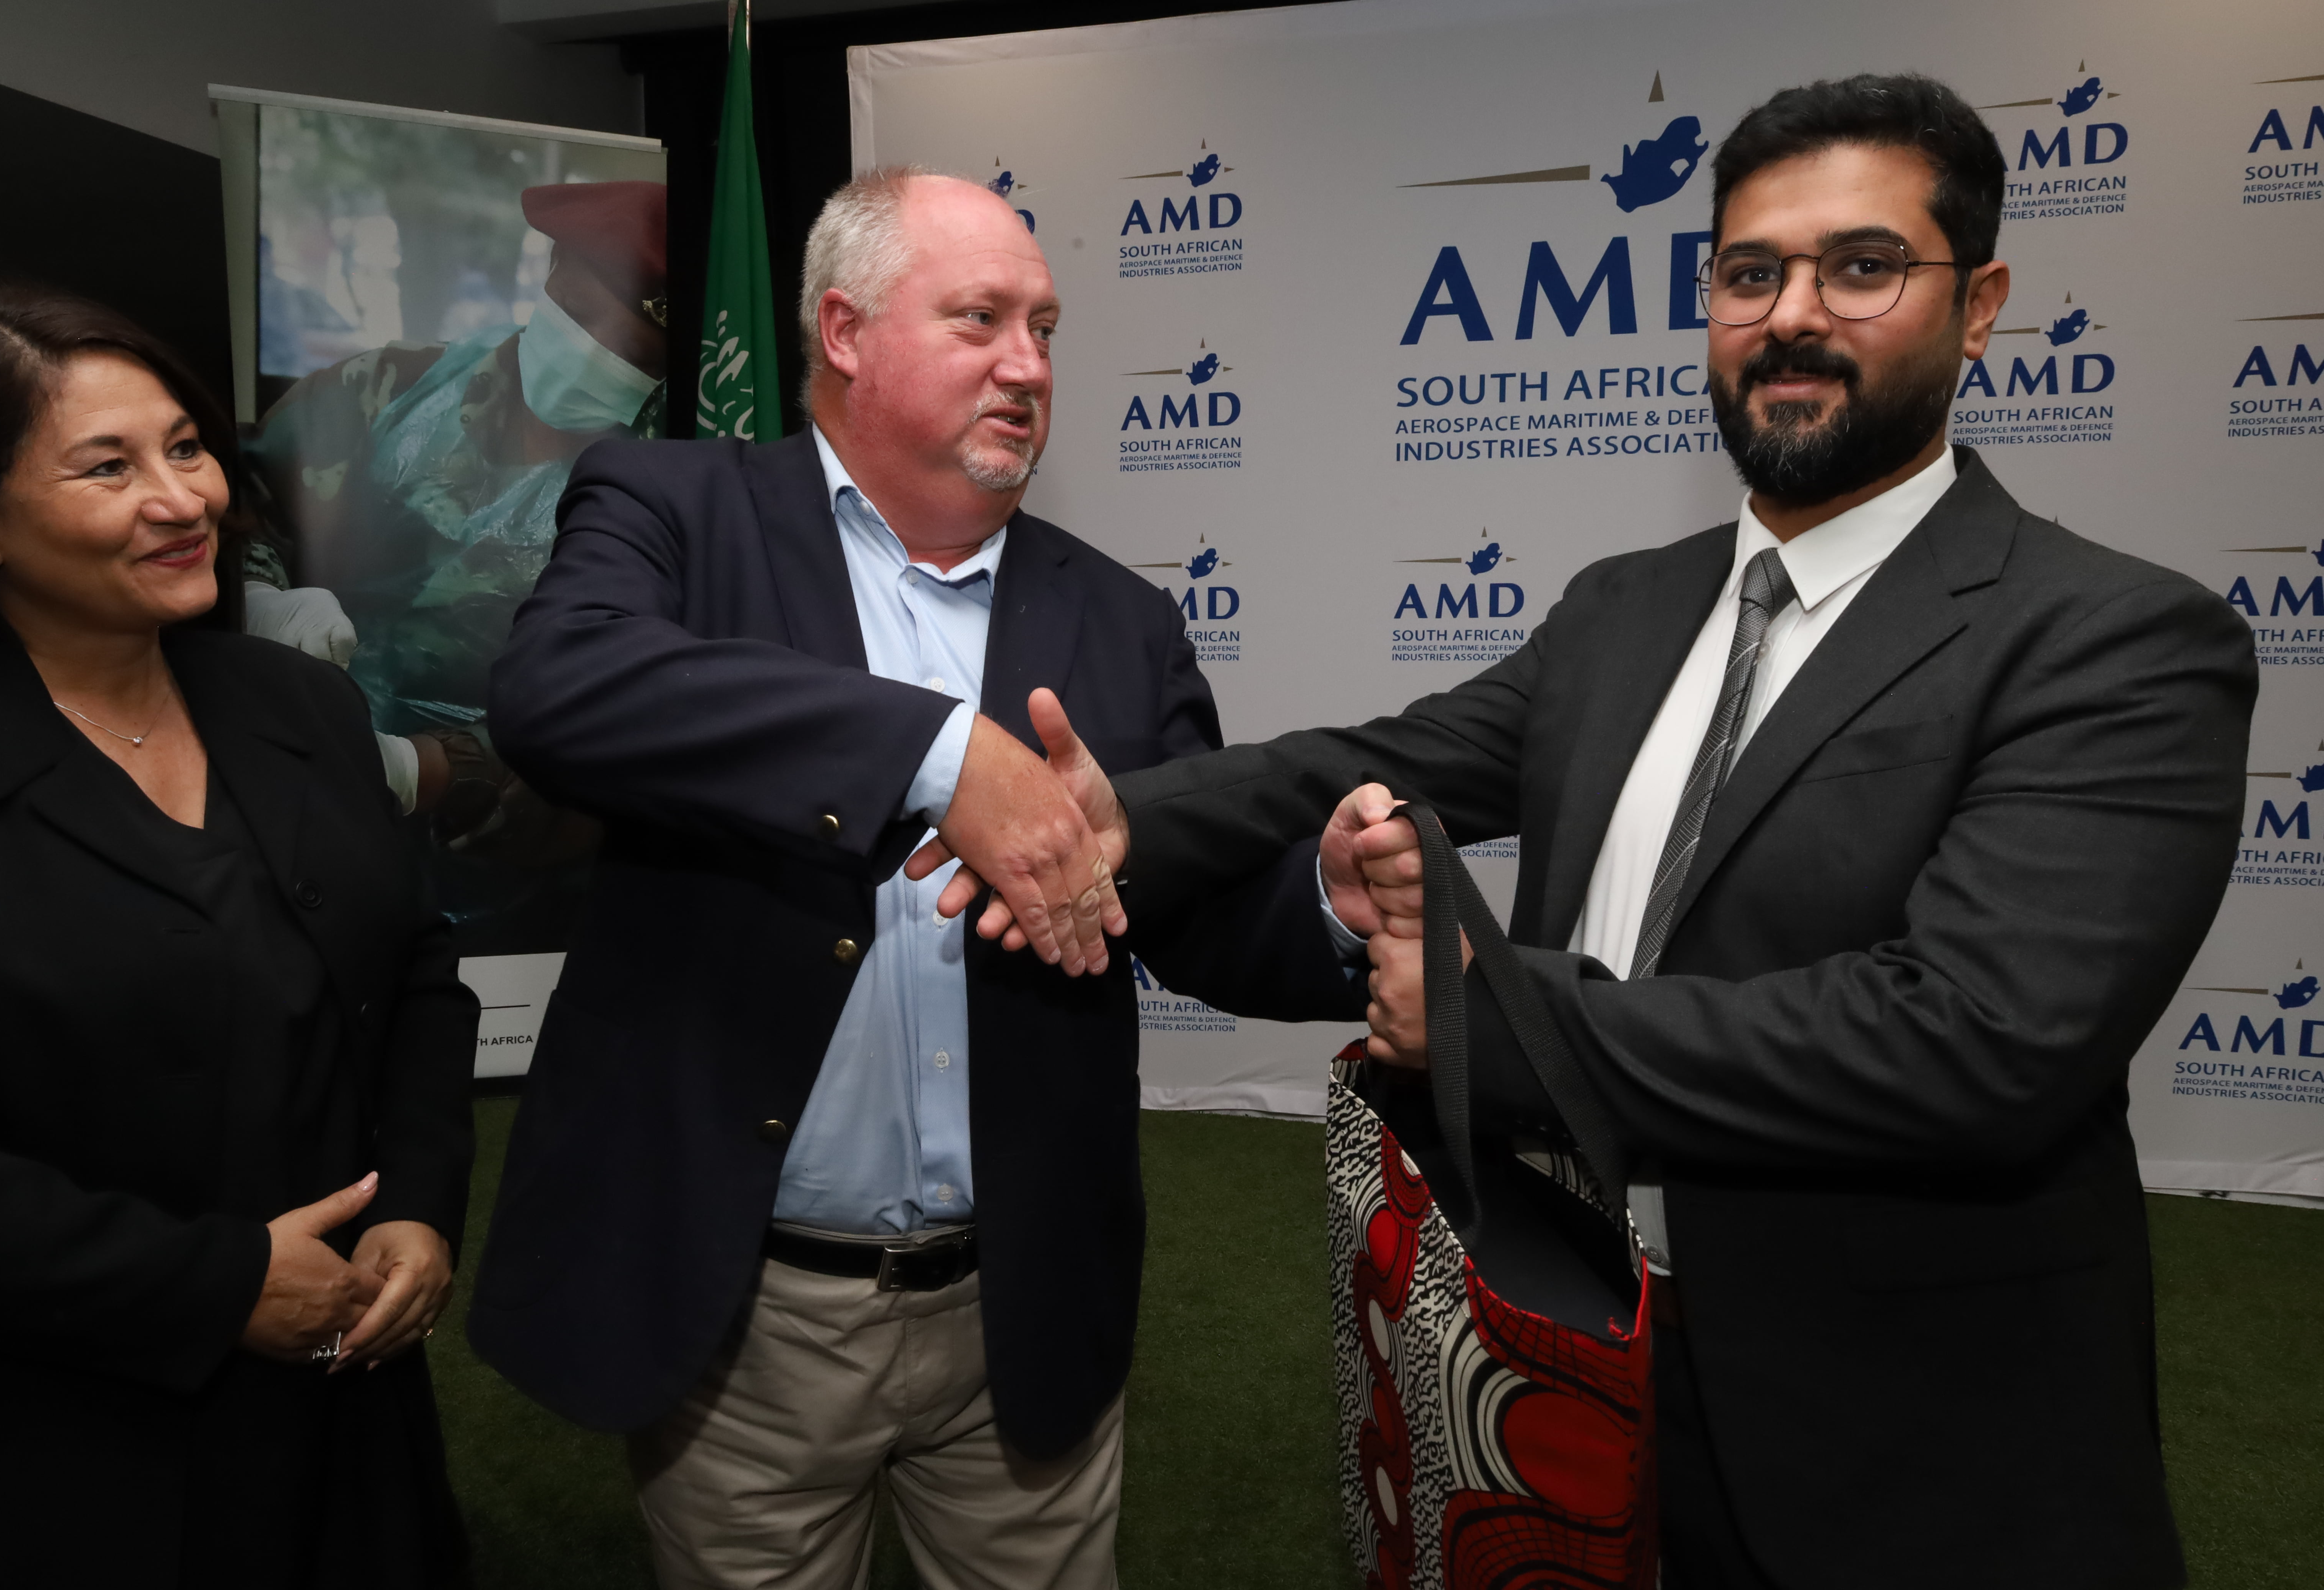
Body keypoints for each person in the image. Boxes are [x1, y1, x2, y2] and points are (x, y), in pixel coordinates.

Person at [949, 76, 2255, 1588]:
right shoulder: (1625, 605)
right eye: (1749, 273)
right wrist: (1123, 814)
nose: (1791, 315)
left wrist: (1495, 1027)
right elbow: (1387, 759)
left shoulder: (2116, 639)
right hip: (1563, 1365)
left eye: (1863, 266)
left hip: (1904, 1436)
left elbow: (1976, 1042)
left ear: (1981, 307)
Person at [466, 168, 1337, 1588]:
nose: (1029, 365)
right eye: (981, 319)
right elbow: (556, 689)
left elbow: (1191, 911)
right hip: (746, 1310)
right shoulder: (675, 506)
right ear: (846, 331)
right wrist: (939, 756)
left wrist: (1340, 913)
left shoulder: (1121, 621)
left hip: (1021, 1303)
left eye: (1045, 328)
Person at [0, 285, 478, 1587]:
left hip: (348, 1410)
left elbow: (416, 972)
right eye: (107, 467)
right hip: (68, 1442)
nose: (183, 499)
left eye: (186, 448)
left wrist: (418, 1206)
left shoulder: (302, 706)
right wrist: (216, 1284)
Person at [245, 180, 669, 948]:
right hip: (297, 817)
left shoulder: (678, 481)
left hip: (521, 892)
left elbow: (648, 714)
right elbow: (239, 508)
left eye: (630, 354)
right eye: (581, 318)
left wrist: (418, 770)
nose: (595, 355)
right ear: (552, 267)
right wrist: (254, 595)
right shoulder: (385, 391)